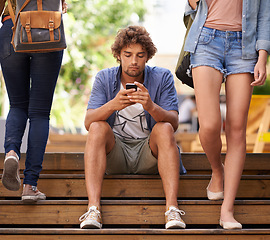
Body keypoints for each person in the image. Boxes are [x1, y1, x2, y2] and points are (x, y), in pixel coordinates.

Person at [79, 26, 186, 229]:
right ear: (119, 55)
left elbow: (173, 122)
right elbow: (88, 122)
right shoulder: (104, 78)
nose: (134, 61)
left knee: (164, 128)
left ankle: (172, 209)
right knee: (97, 127)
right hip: (115, 154)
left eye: (140, 55)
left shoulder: (162, 77)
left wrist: (151, 107)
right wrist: (113, 104)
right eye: (128, 55)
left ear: (148, 57)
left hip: (149, 154)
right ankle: (93, 209)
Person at [184, 0, 270, 229]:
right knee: (210, 125)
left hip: (245, 46)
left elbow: (264, 16)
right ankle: (216, 170)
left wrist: (263, 56)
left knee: (236, 129)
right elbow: (191, 7)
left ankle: (227, 210)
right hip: (205, 41)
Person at [0, 0, 67, 201]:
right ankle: (30, 186)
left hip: (12, 27)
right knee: (39, 112)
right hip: (48, 29)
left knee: (17, 105)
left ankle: (12, 152)